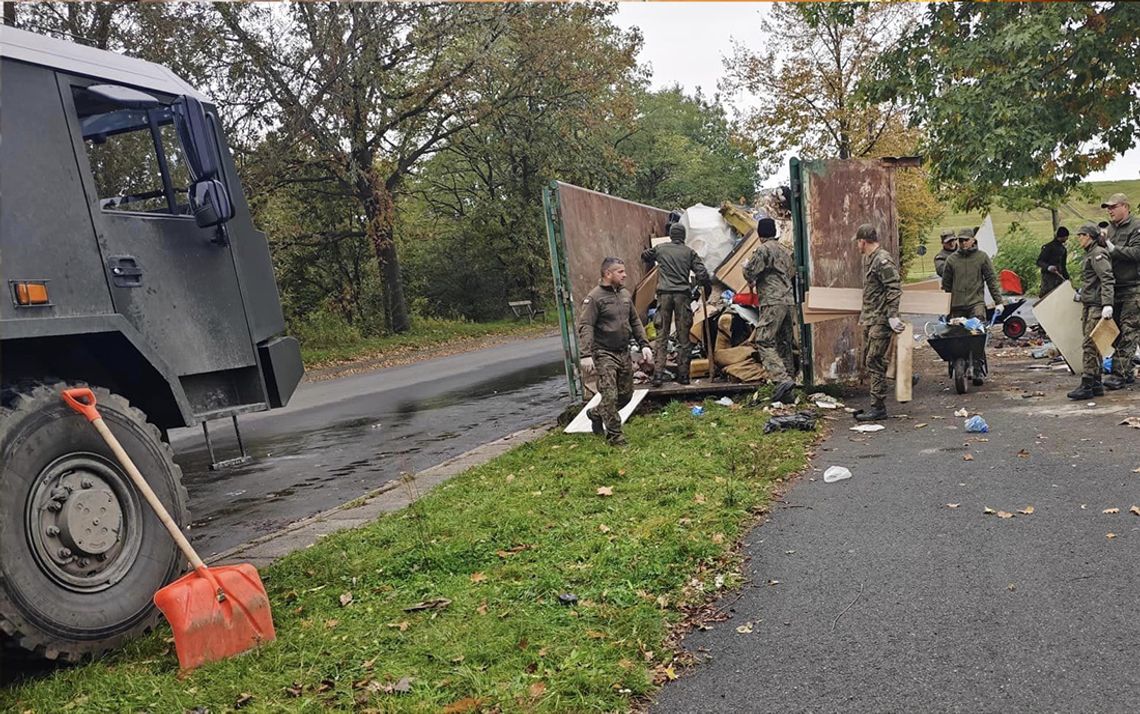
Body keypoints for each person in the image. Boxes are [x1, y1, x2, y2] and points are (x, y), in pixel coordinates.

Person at [577, 257, 653, 445]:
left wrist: (644, 344)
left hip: (623, 351)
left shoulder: (625, 295)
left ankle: (595, 413)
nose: (625, 275)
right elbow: (586, 326)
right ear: (607, 274)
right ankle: (616, 438)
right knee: (610, 396)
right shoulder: (595, 298)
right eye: (620, 271)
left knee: (625, 396)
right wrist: (586, 354)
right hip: (603, 353)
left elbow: (634, 321)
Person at [641, 223, 711, 386]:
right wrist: (704, 288)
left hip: (664, 295)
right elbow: (702, 273)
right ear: (684, 236)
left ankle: (658, 375)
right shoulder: (689, 252)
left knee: (662, 335)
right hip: (682, 296)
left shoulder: (660, 249)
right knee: (683, 336)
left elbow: (645, 255)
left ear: (671, 235)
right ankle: (684, 375)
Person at [742, 217, 796, 403]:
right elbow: (791, 272)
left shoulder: (763, 250)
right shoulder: (784, 250)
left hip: (772, 301)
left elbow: (751, 272)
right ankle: (790, 386)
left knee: (763, 340)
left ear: (759, 234)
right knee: (784, 342)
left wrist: (745, 267)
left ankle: (781, 379)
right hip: (788, 300)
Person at [853, 224, 903, 421]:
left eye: (858, 242)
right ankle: (877, 405)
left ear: (863, 241)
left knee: (874, 360)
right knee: (872, 360)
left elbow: (894, 287)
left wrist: (892, 315)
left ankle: (878, 408)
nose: (858, 246)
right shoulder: (871, 260)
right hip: (873, 318)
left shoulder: (881, 260)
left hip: (881, 319)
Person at [1067, 223, 1114, 400]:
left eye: (1081, 235)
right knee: (1093, 344)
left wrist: (1107, 304)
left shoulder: (1097, 254)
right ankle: (1096, 382)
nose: (1078, 238)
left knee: (1089, 343)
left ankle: (1087, 383)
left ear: (1089, 236)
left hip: (1096, 305)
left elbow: (1107, 278)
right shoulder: (1091, 254)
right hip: (1090, 303)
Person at [1102, 192, 1140, 389]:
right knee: (1115, 332)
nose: (1110, 210)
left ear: (1125, 206)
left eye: (1113, 206)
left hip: (1133, 288)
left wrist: (1112, 248)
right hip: (1115, 288)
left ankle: (1120, 374)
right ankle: (1126, 371)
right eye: (1108, 207)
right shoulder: (1109, 229)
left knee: (1128, 331)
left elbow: (1137, 253)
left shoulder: (1136, 227)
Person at [941, 228, 1004, 321]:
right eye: (961, 240)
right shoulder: (951, 260)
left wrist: (999, 302)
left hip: (976, 304)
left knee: (978, 330)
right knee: (957, 333)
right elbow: (946, 284)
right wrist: (946, 307)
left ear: (973, 240)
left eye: (966, 240)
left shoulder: (982, 257)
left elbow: (991, 280)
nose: (963, 243)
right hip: (957, 305)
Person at [1036, 226, 1071, 297]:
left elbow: (1063, 266)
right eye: (1066, 237)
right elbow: (1039, 261)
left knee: (1058, 297)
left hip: (1059, 278)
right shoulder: (1048, 247)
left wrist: (1067, 278)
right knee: (1046, 296)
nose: (1067, 239)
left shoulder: (1063, 249)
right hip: (1048, 278)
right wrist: (1048, 267)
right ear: (1062, 236)